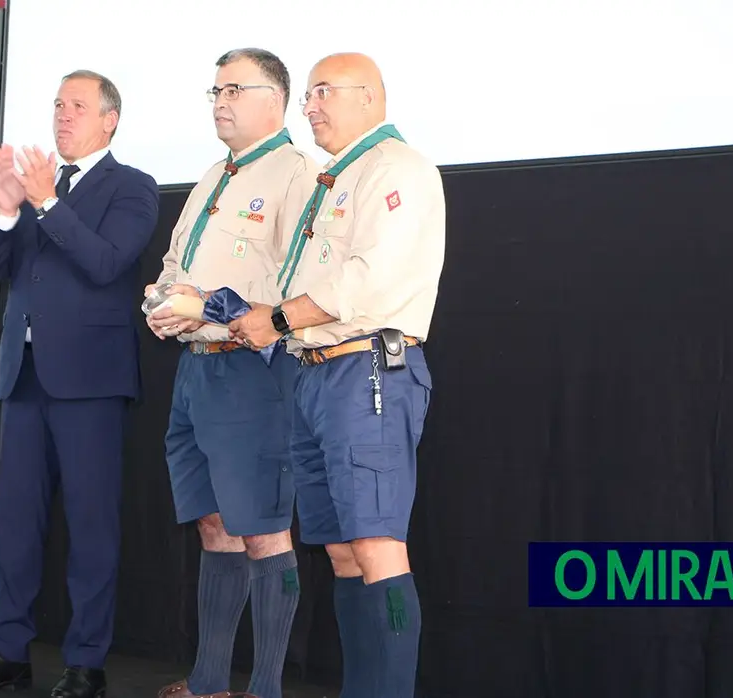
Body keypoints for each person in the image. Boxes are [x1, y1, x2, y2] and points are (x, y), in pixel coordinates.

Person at [229, 52, 445, 698]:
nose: (311, 106)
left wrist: (278, 319)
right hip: (316, 374)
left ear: (370, 98)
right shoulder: (332, 179)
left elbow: (367, 281)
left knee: (378, 548)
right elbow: (300, 278)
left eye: (324, 92)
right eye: (310, 95)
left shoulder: (399, 169)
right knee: (343, 553)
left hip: (368, 374)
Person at [0, 69, 160, 698]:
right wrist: (6, 210)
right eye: (57, 104)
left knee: (91, 525)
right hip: (23, 377)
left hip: (91, 383)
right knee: (14, 523)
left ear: (109, 120)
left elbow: (106, 264)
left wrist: (46, 202)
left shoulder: (132, 187)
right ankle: (7, 651)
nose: (62, 115)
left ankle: (85, 662)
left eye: (77, 105)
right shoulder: (32, 185)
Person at [144, 48, 318, 698]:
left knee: (265, 531)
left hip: (256, 375)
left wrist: (209, 306)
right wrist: (163, 304)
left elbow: (306, 290)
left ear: (273, 98)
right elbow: (174, 264)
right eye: (213, 90)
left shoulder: (298, 176)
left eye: (233, 89)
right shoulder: (213, 175)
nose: (219, 101)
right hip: (197, 372)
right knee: (214, 526)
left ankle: (266, 688)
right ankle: (211, 681)